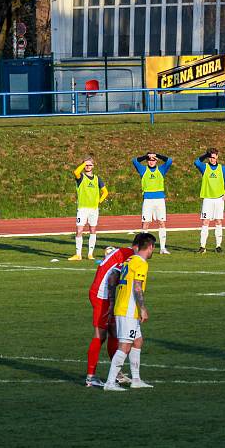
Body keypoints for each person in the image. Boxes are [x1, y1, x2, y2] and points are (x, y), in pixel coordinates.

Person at [103, 232, 156, 392]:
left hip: (124, 307)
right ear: (150, 247)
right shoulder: (141, 263)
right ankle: (110, 383)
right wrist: (143, 308)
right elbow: (137, 286)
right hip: (128, 309)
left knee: (137, 341)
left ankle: (136, 379)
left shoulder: (129, 260)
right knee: (125, 346)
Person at [84, 241, 138, 387]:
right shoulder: (129, 255)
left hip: (103, 294)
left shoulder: (124, 252)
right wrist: (113, 303)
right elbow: (113, 276)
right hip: (103, 297)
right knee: (100, 335)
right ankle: (91, 377)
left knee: (114, 333)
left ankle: (117, 374)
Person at [132, 151, 173, 254]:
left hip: (159, 200)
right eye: (149, 160)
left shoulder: (161, 170)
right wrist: (146, 156)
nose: (151, 162)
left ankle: (163, 248)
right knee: (145, 223)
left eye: (153, 160)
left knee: (161, 222)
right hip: (148, 200)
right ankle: (142, 247)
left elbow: (169, 161)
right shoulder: (143, 170)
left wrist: (157, 155)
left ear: (156, 161)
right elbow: (135, 161)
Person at [67, 157, 108, 261]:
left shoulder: (97, 179)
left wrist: (99, 201)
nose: (88, 166)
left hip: (93, 209)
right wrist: (84, 163)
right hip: (82, 209)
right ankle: (78, 255)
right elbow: (75, 171)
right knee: (79, 230)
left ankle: (90, 254)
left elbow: (105, 192)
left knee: (93, 230)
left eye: (90, 165)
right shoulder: (81, 177)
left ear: (93, 166)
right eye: (86, 165)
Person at [194, 148, 225, 253]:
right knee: (205, 222)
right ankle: (202, 247)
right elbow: (196, 162)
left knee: (218, 221)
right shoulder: (204, 167)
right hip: (208, 198)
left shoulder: (222, 168)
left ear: (217, 157)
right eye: (210, 157)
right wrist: (205, 155)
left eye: (214, 157)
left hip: (219, 199)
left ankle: (218, 246)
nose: (212, 159)